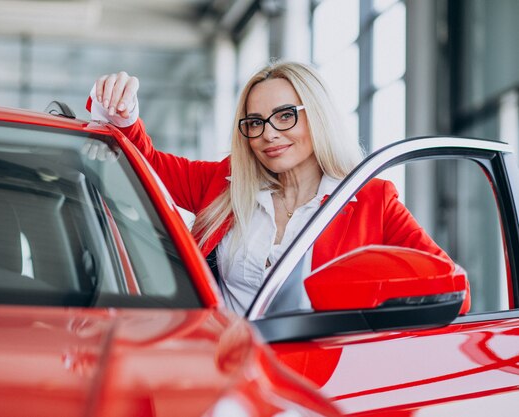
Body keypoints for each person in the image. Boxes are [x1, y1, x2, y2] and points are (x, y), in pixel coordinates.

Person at [86, 61, 463, 315]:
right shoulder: (225, 184)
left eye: (285, 116)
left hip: (324, 383)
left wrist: (366, 289)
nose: (268, 134)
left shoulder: (371, 199)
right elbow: (147, 165)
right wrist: (123, 115)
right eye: (254, 122)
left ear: (317, 115)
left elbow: (451, 288)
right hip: (222, 372)